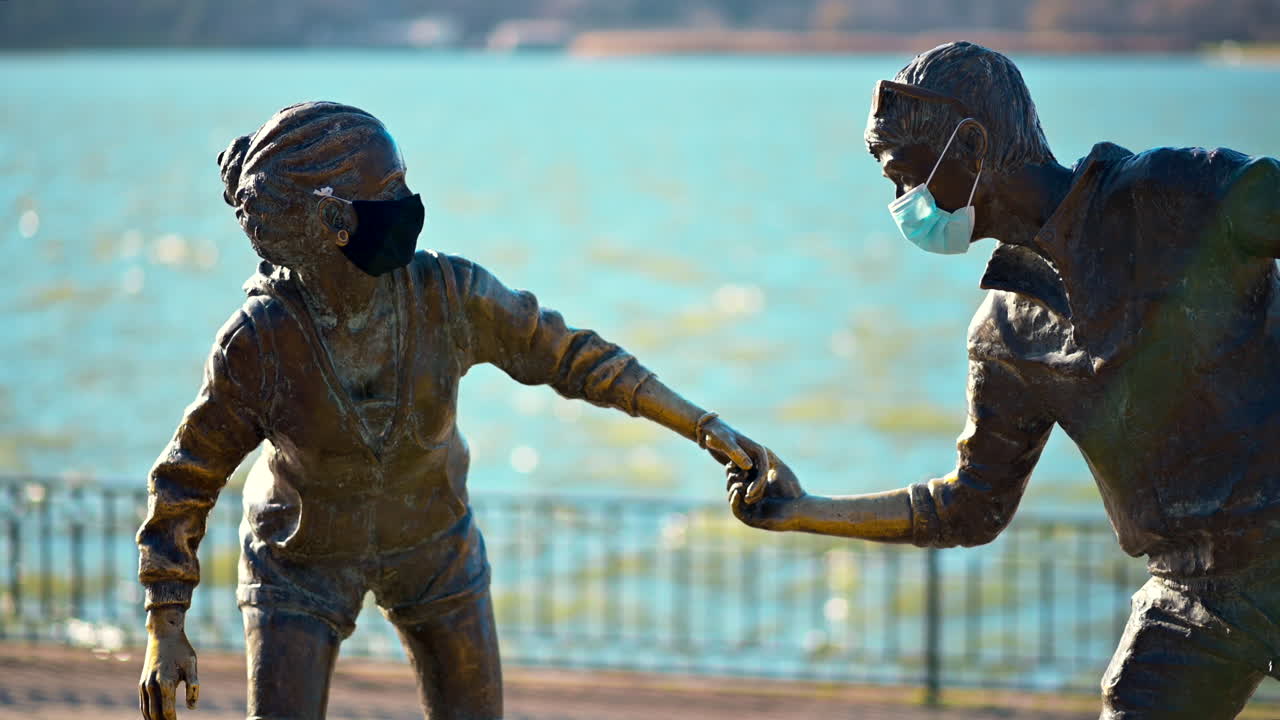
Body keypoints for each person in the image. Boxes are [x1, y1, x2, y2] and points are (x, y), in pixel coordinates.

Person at [135, 101, 764, 720]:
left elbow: (576, 358)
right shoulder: (260, 342)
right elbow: (186, 476)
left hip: (434, 547)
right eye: (391, 189)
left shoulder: (449, 295)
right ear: (333, 220)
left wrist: (706, 428)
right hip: (300, 559)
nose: (410, 203)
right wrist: (166, 626)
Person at [729, 42, 1280, 719]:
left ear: (971, 145)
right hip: (1193, 593)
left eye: (905, 176)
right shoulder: (1006, 330)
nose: (904, 203)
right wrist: (800, 509)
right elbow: (971, 507)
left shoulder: (1174, 195)